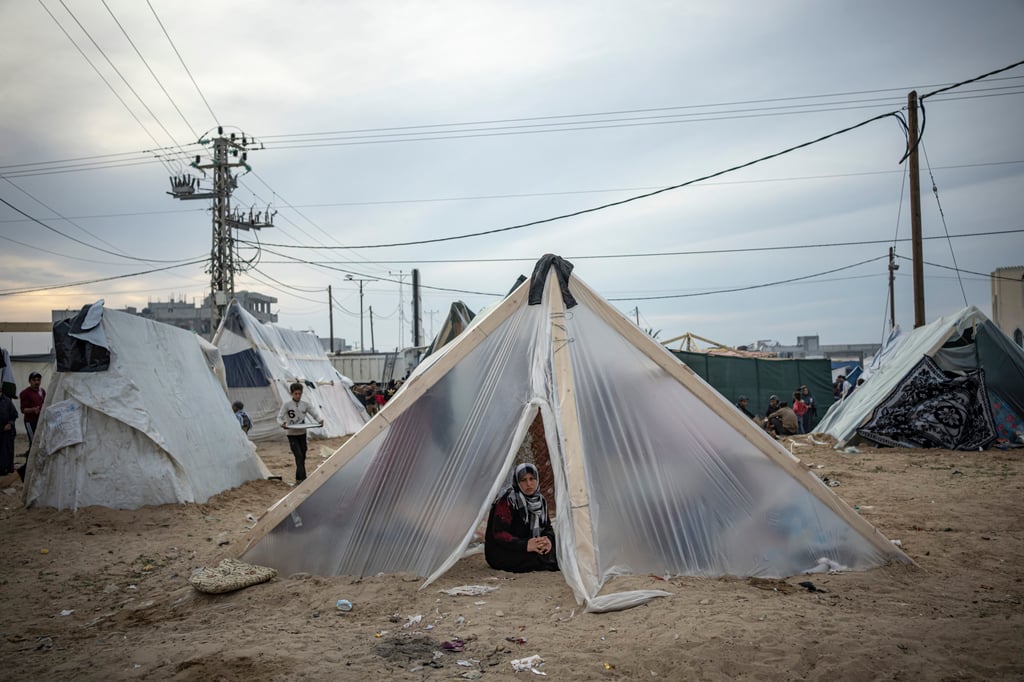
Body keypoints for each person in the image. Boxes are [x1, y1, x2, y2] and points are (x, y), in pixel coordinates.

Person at [485, 462, 559, 573]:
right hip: (504, 550)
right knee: (540, 559)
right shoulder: (508, 501)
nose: (529, 484)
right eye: (523, 480)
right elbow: (500, 534)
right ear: (517, 482)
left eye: (532, 479)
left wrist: (547, 540)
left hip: (530, 546)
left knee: (559, 553)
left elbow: (547, 528)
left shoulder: (540, 500)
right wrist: (526, 544)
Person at [277, 382, 324, 483]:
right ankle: (303, 479)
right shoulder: (287, 405)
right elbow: (279, 417)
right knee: (298, 455)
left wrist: (320, 420)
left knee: (302, 456)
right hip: (292, 434)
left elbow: (314, 412)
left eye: (299, 393)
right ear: (291, 393)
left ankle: (298, 478)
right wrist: (282, 424)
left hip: (302, 433)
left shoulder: (305, 404)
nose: (298, 396)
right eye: (296, 394)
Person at [19, 371, 45, 450]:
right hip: (30, 422)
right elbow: (23, 410)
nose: (37, 382)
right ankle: (29, 462)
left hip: (40, 421)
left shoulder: (42, 391)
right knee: (33, 442)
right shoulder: (25, 393)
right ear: (30, 381)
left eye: (38, 380)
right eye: (34, 380)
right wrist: (33, 410)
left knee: (40, 441)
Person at [0, 391, 17, 476]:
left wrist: (10, 423)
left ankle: (7, 469)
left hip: (7, 432)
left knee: (7, 451)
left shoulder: (7, 401)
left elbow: (14, 414)